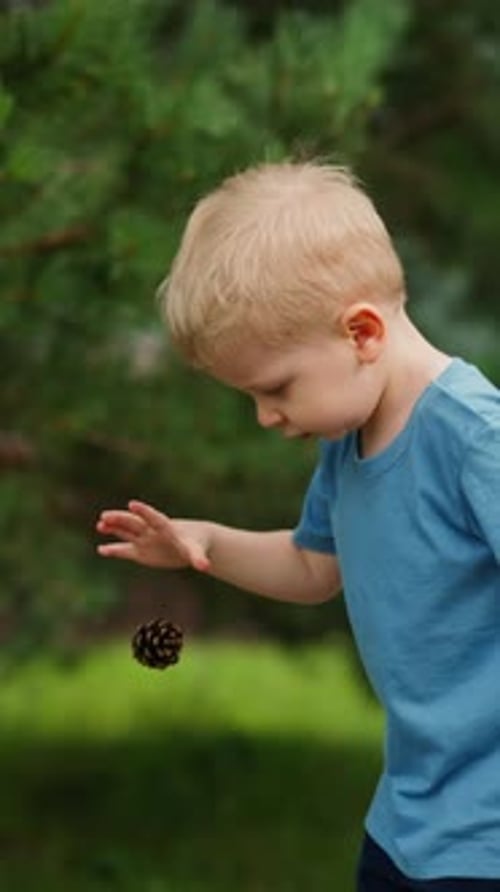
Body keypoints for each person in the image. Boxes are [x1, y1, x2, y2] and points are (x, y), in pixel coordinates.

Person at [96, 161, 500, 890]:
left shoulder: (473, 438)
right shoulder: (347, 441)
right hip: (407, 821)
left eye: (276, 388)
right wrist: (205, 544)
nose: (265, 416)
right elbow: (315, 567)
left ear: (363, 332)